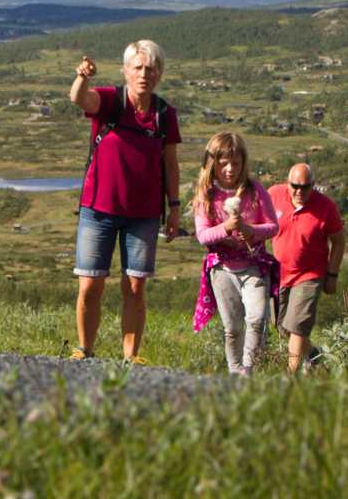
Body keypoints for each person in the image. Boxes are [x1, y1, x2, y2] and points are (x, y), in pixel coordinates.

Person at [68, 40, 182, 361]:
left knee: (135, 287)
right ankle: (84, 349)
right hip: (98, 210)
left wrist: (174, 208)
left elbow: (170, 164)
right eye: (138, 68)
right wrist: (83, 77)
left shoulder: (164, 114)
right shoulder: (110, 100)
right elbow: (79, 99)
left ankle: (130, 357)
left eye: (150, 68)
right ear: (126, 71)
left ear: (159, 74)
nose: (144, 74)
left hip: (143, 215)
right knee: (90, 284)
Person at [190, 132, 280, 375]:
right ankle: (235, 369)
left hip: (254, 266)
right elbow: (203, 235)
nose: (230, 169)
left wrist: (251, 231)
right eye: (223, 163)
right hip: (222, 270)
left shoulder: (256, 191)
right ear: (213, 164)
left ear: (244, 163)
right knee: (232, 327)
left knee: (257, 318)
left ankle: (248, 370)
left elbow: (273, 226)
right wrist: (226, 229)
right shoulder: (206, 196)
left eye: (236, 163)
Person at [267, 162, 345, 372]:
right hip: (280, 274)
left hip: (310, 274)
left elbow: (339, 241)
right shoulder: (273, 195)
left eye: (306, 187)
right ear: (287, 183)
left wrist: (332, 275)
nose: (300, 191)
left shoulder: (326, 207)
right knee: (283, 327)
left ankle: (292, 378)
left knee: (298, 326)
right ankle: (315, 356)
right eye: (295, 186)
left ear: (313, 185)